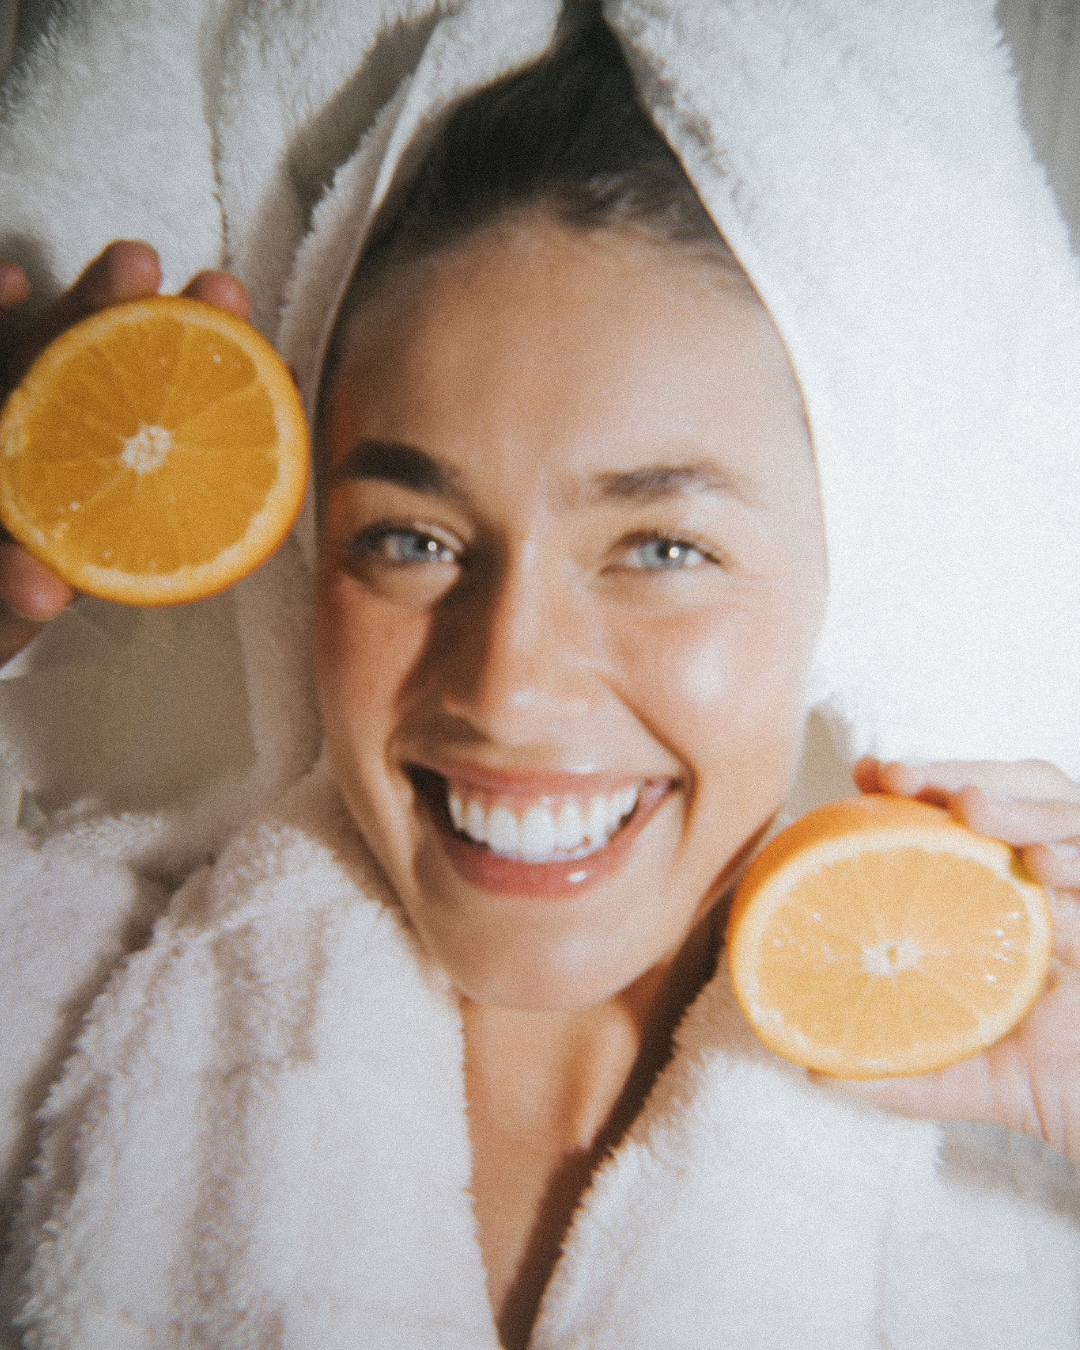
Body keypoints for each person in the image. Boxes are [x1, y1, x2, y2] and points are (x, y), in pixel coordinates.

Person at [2, 2, 1080, 1346]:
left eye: (660, 545)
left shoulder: (1034, 1156)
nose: (506, 687)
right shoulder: (46, 1020)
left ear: (847, 574)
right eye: (410, 538)